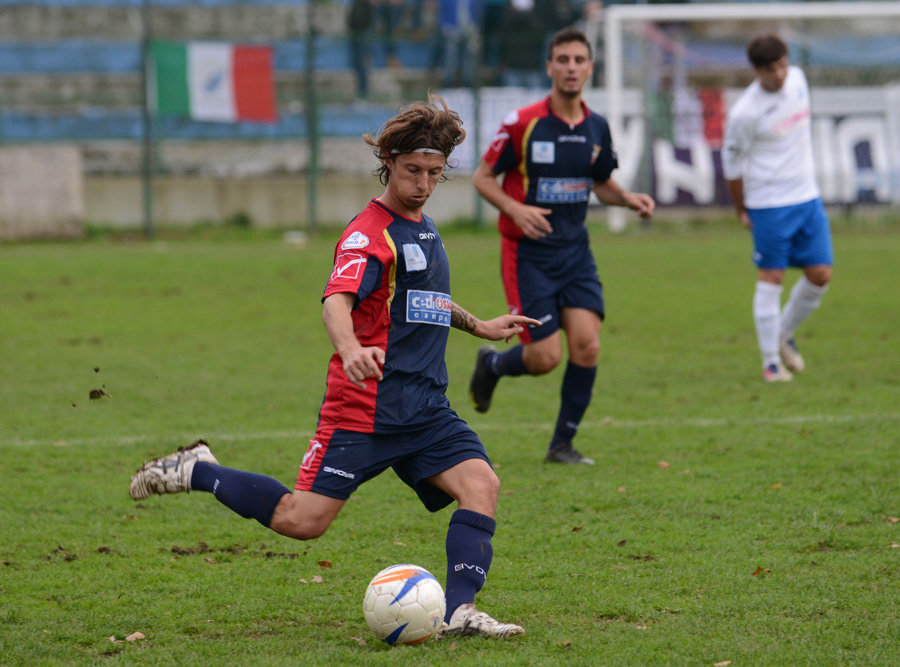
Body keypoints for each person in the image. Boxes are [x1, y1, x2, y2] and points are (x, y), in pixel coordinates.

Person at [129, 96, 536, 639]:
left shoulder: (425, 227)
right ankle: (197, 470)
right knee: (302, 521)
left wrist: (479, 325)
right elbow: (336, 303)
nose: (423, 183)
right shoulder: (368, 234)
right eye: (412, 170)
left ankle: (460, 611)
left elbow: (423, 301)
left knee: (481, 485)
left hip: (424, 407)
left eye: (434, 172)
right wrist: (349, 350)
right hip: (364, 408)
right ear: (388, 161)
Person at [469, 27, 654, 465]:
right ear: (549, 67)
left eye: (579, 60)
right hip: (528, 255)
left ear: (590, 68)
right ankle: (492, 365)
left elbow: (600, 183)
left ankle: (562, 445)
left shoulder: (597, 127)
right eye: (563, 60)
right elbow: (482, 177)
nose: (571, 67)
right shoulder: (523, 123)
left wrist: (628, 198)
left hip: (576, 254)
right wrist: (515, 209)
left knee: (588, 345)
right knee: (544, 357)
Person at [722, 34, 833, 382]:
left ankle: (782, 332)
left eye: (783, 65)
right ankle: (771, 364)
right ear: (757, 71)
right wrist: (741, 209)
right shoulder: (744, 112)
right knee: (772, 278)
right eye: (771, 69)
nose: (780, 74)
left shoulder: (798, 79)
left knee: (821, 275)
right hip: (769, 203)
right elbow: (732, 166)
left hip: (807, 197)